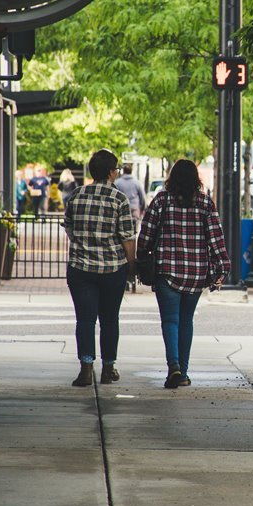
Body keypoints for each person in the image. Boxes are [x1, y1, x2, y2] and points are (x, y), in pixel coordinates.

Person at [137, 159, 230, 388]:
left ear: (173, 177)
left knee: (170, 320)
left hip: (167, 270)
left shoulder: (161, 200)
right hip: (197, 273)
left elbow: (146, 234)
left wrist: (141, 256)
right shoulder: (205, 203)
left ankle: (174, 367)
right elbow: (216, 239)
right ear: (196, 179)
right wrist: (222, 267)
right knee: (186, 321)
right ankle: (184, 373)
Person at [63, 149, 136, 387]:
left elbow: (69, 228)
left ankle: (85, 369)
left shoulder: (76, 195)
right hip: (112, 269)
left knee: (85, 319)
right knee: (110, 319)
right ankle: (108, 368)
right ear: (111, 173)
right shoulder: (119, 199)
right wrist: (132, 265)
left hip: (81, 268)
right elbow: (127, 237)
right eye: (116, 169)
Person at [114, 163, 147, 230]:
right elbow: (143, 198)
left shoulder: (117, 183)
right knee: (134, 229)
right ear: (131, 171)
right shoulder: (137, 183)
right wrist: (142, 209)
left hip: (122, 210)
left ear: (124, 171)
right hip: (134, 209)